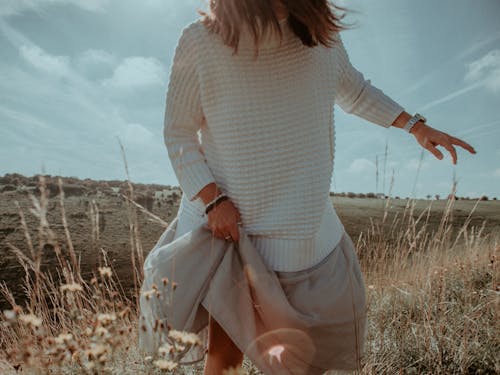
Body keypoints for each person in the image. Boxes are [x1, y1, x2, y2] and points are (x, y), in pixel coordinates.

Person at [162, 1, 477, 373]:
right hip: (231, 231)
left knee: (307, 354)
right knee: (224, 354)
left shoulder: (320, 39)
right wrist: (213, 201)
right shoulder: (203, 40)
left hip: (304, 231)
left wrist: (416, 126)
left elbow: (355, 92)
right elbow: (178, 132)